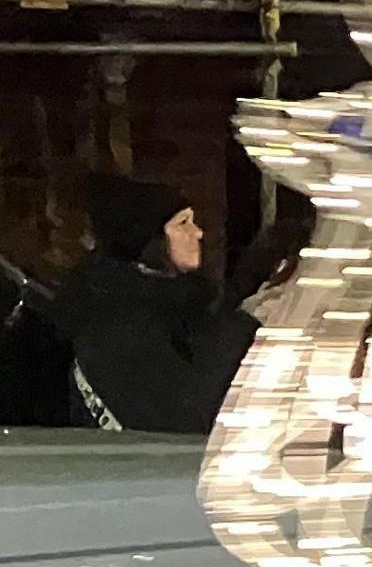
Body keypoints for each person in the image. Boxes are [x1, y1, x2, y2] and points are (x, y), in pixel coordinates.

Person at [50, 172, 256, 433]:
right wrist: (241, 333)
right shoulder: (121, 325)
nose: (198, 233)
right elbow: (185, 418)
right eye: (183, 223)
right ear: (151, 239)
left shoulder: (166, 310)